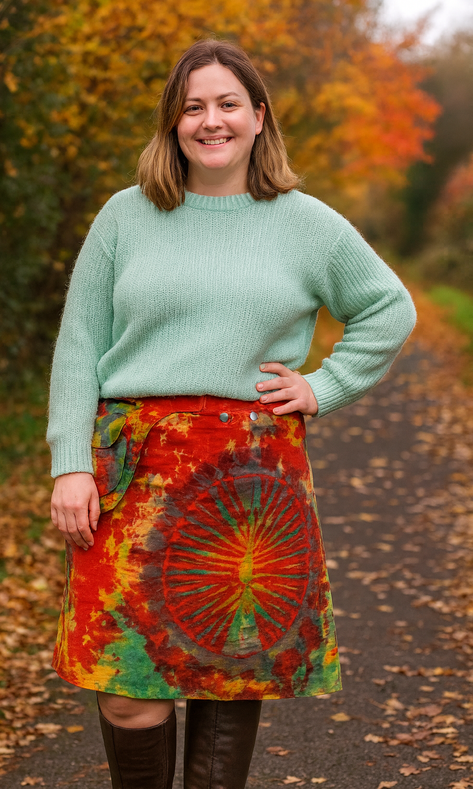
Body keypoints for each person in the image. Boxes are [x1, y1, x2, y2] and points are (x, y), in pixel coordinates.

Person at [47, 39, 416, 789]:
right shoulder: (126, 215)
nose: (209, 121)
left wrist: (325, 384)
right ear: (172, 123)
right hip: (133, 467)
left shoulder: (304, 222)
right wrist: (70, 464)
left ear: (256, 117)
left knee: (228, 675)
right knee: (126, 692)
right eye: (192, 107)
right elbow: (78, 344)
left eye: (225, 104)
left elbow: (388, 307)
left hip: (249, 472)